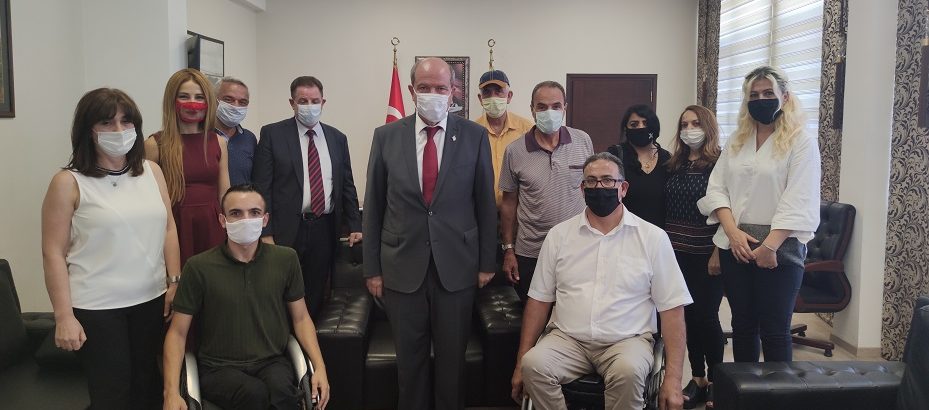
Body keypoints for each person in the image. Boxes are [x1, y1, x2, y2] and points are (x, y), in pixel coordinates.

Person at [363, 57, 497, 410]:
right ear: (411, 91)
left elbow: (485, 203)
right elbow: (374, 205)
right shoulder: (386, 136)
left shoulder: (474, 136)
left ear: (453, 91)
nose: (433, 94)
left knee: (453, 366)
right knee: (410, 365)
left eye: (440, 88)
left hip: (457, 267)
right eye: (425, 88)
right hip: (401, 267)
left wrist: (487, 262)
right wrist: (372, 270)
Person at [511, 152, 691, 410]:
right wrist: (520, 362)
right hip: (568, 339)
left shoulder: (653, 238)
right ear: (582, 189)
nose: (599, 187)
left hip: (627, 342)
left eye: (607, 180)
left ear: (623, 188)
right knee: (533, 365)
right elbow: (539, 301)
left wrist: (673, 380)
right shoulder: (559, 236)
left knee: (628, 371)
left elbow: (672, 309)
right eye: (591, 181)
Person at [41, 88, 180, 409]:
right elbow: (53, 254)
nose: (119, 130)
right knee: (112, 394)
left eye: (126, 121)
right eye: (107, 122)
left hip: (151, 299)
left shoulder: (152, 171)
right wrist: (63, 316)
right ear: (88, 129)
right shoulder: (68, 182)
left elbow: (169, 228)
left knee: (147, 388)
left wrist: (174, 281)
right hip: (98, 307)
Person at [162, 184, 330, 410]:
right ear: (222, 220)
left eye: (254, 212)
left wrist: (320, 368)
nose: (246, 220)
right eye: (236, 213)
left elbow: (301, 319)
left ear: (265, 219)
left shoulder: (286, 260)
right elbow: (177, 333)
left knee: (281, 392)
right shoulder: (198, 267)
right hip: (217, 368)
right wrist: (171, 392)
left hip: (272, 361)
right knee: (254, 394)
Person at [697, 66, 821, 364]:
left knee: (775, 331)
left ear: (785, 97)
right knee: (742, 326)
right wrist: (732, 233)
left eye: (768, 93)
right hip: (736, 244)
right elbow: (717, 189)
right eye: (754, 95)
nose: (761, 100)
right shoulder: (738, 140)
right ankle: (744, 390)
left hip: (780, 247)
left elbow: (799, 198)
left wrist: (770, 246)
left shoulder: (801, 141)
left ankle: (778, 392)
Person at [252, 75, 362, 318]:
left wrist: (355, 224)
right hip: (286, 229)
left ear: (323, 102)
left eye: (315, 101)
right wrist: (265, 231)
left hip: (324, 227)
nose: (309, 106)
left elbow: (346, 185)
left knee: (315, 290)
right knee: (279, 289)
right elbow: (262, 187)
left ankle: (308, 337)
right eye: (303, 101)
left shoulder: (337, 138)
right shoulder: (272, 134)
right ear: (292, 103)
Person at [499, 80, 593, 302]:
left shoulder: (583, 141)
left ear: (565, 108)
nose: (549, 112)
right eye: (541, 107)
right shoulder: (514, 151)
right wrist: (508, 250)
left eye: (556, 106)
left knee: (575, 311)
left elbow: (592, 190)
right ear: (532, 109)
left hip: (578, 249)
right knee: (533, 314)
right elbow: (508, 204)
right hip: (531, 252)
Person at [665, 105, 724, 409]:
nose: (689, 129)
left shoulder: (720, 163)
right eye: (684, 124)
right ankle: (698, 378)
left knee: (707, 317)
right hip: (675, 253)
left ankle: (716, 381)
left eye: (696, 123)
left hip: (707, 253)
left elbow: (730, 210)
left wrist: (718, 251)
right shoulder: (673, 164)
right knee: (686, 316)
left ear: (708, 127)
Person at [145, 68, 230, 266]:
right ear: (172, 100)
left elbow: (225, 193)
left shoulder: (218, 142)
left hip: (213, 225)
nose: (193, 103)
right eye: (184, 96)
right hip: (175, 226)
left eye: (199, 97)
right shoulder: (154, 144)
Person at [473, 69, 535, 206]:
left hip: (518, 209)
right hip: (482, 209)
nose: (493, 97)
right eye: (487, 92)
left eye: (498, 91)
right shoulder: (472, 132)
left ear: (509, 96)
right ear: (480, 98)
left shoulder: (527, 129)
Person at [608, 104, 671, 228]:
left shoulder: (668, 159)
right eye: (634, 124)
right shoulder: (615, 155)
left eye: (646, 123)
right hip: (624, 231)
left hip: (658, 233)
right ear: (626, 129)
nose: (641, 127)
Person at [214, 77, 257, 186]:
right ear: (214, 99)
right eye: (228, 99)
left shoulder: (249, 138)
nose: (235, 106)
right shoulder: (201, 135)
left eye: (243, 102)